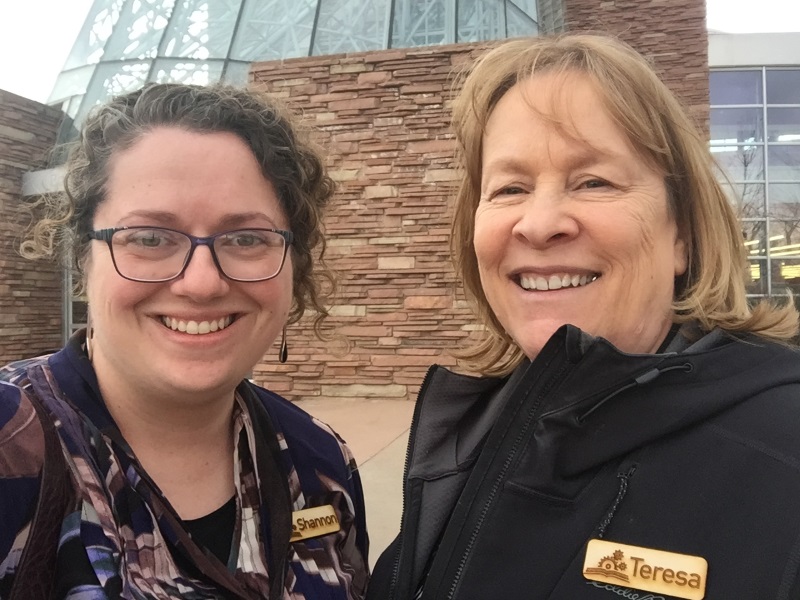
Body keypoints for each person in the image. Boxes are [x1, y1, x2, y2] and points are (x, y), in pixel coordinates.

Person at [367, 33, 800, 600]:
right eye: (510, 187)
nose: (538, 223)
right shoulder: (474, 433)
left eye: (593, 181)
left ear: (683, 237)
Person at [0, 83, 368, 599]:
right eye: (149, 237)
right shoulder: (9, 444)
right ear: (84, 256)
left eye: (245, 239)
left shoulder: (320, 463)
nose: (202, 283)